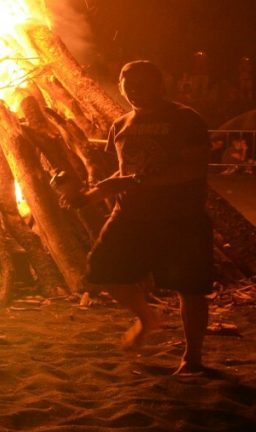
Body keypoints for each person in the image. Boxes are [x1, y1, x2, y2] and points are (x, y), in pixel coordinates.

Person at [62, 60, 212, 376]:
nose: (132, 90)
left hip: (180, 217)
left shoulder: (185, 119)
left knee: (190, 288)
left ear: (159, 85)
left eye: (140, 83)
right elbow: (125, 173)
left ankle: (192, 358)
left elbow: (194, 169)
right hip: (131, 215)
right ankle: (148, 319)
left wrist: (138, 182)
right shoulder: (121, 124)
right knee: (103, 270)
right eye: (126, 84)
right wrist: (89, 196)